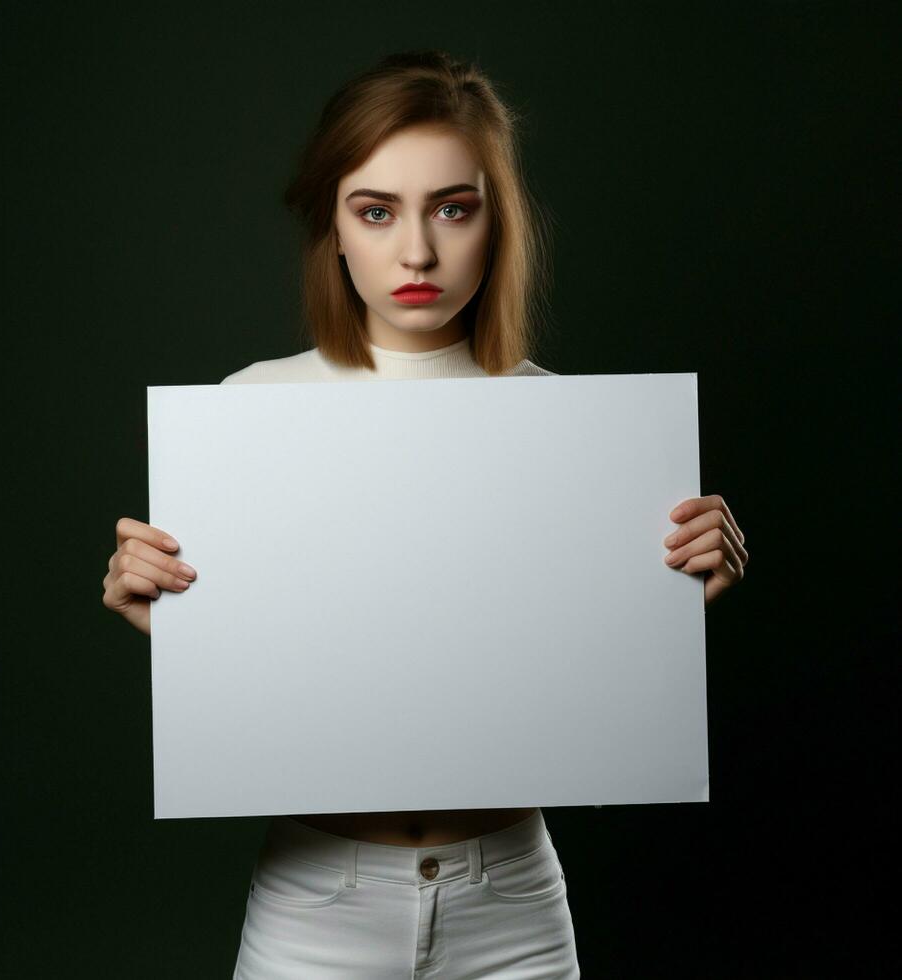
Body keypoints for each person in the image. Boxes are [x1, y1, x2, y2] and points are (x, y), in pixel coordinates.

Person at [102, 50, 748, 980]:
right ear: (332, 224)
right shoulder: (246, 414)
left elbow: (560, 670)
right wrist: (170, 617)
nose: (416, 252)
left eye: (454, 206)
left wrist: (673, 595)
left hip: (516, 904)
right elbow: (292, 669)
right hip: (315, 905)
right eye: (376, 210)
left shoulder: (580, 437)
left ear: (498, 222)